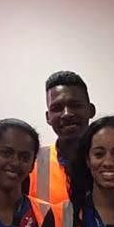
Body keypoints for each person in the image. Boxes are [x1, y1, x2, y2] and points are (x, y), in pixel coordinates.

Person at [30, 70, 97, 206]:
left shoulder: (112, 161)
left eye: (75, 105)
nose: (66, 114)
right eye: (57, 108)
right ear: (48, 117)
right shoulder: (31, 163)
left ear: (91, 110)